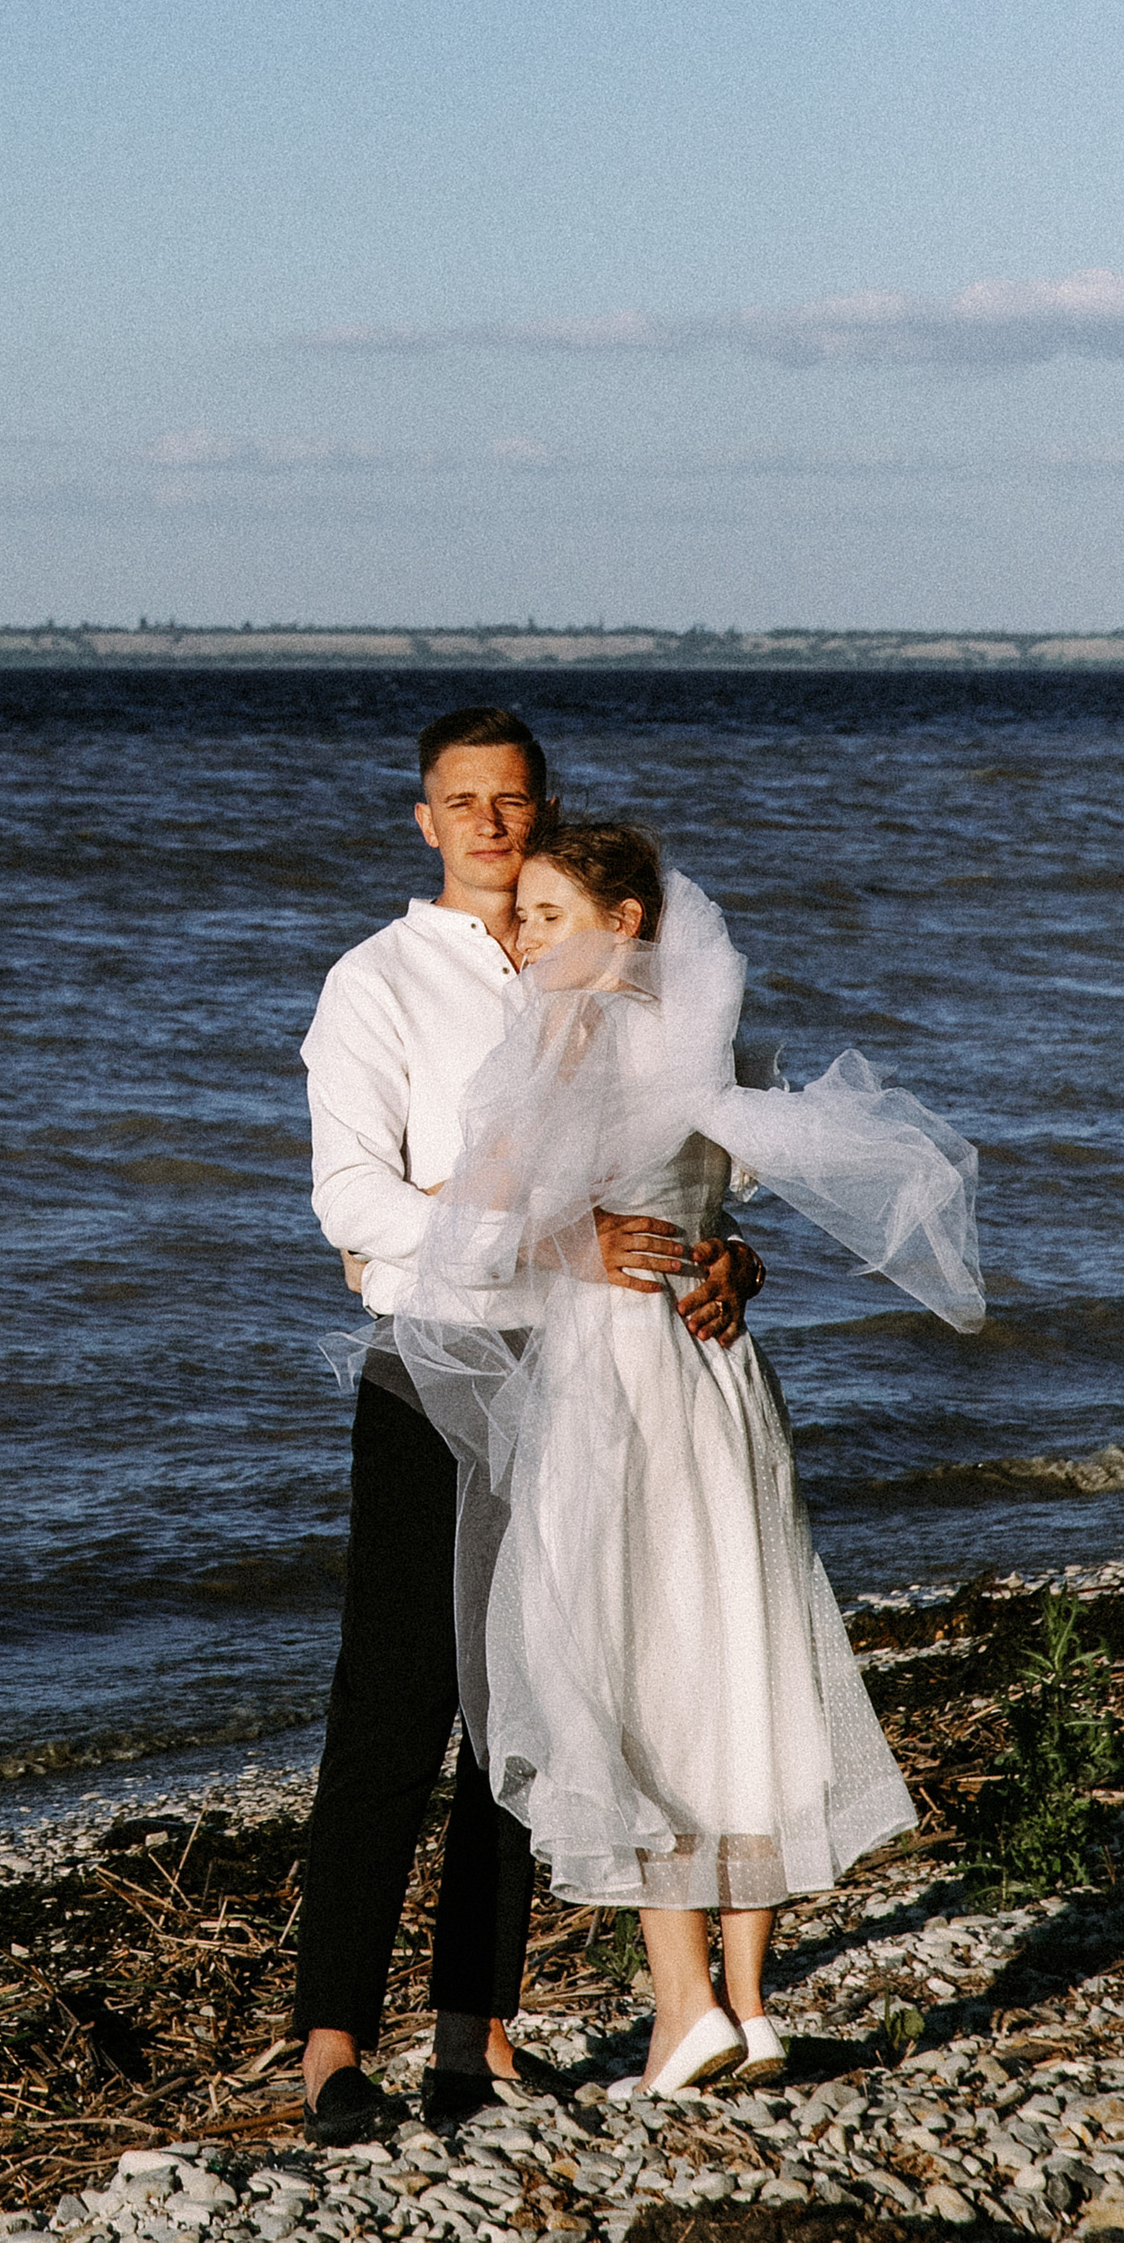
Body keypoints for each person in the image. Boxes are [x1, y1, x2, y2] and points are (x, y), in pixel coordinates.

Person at [396, 817, 982, 2096]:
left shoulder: (565, 1039)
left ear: (624, 925)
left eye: (546, 916)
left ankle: (682, 2012)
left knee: (630, 1666)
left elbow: (481, 1229)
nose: (521, 940)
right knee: (736, 1650)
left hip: (611, 1377)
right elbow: (728, 1195)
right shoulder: (705, 1050)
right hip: (716, 1373)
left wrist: (543, 1228)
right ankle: (753, 2008)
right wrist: (732, 1257)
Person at [292, 712, 764, 2140]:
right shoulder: (379, 982)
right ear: (424, 820)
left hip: (600, 1376)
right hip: (439, 1365)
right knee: (395, 1700)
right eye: (463, 802)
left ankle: (476, 2035)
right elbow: (351, 1200)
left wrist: (727, 1253)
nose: (490, 824)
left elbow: (712, 1150)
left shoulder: (621, 962)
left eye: (511, 800)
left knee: (537, 1699)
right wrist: (539, 1242)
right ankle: (330, 2048)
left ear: (544, 811)